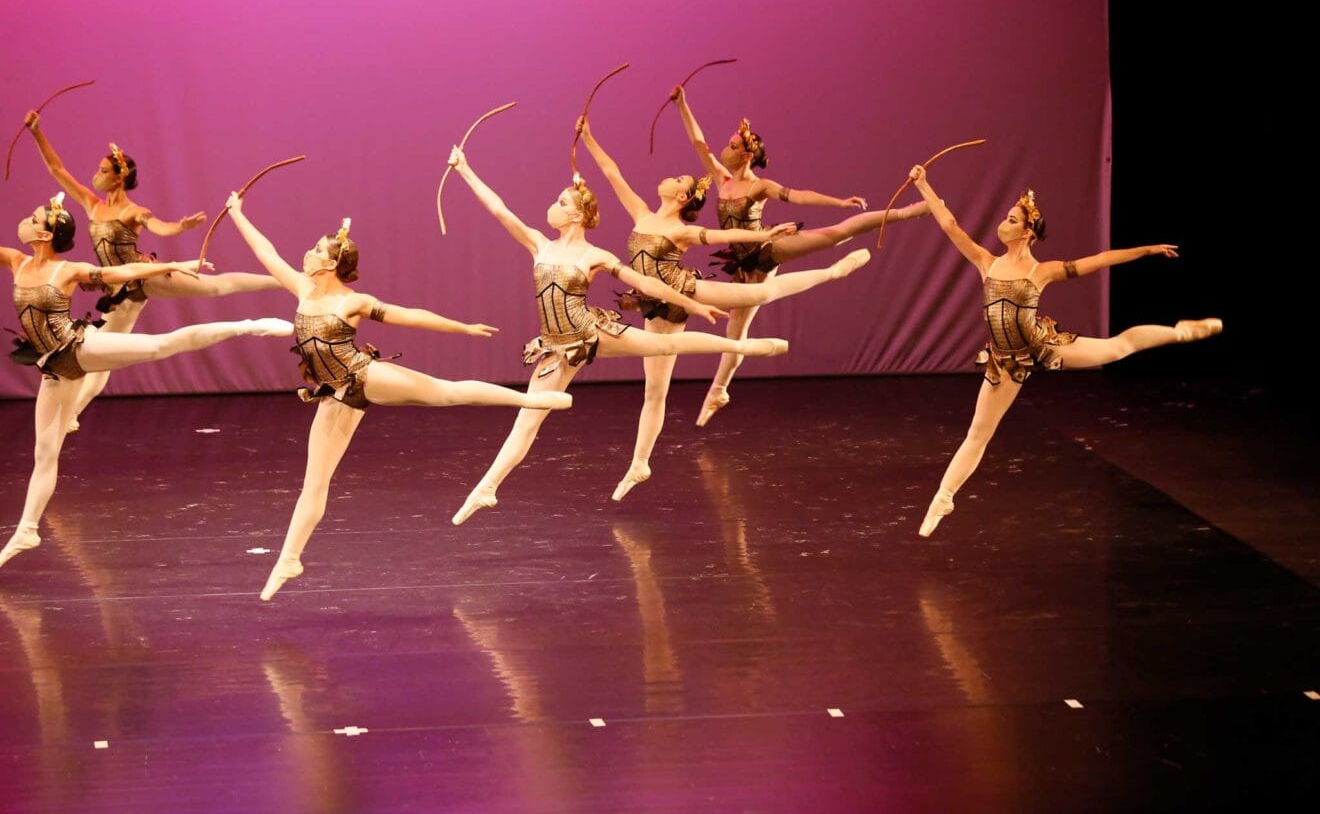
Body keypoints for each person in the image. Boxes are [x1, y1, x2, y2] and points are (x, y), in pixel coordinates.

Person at [224, 194, 575, 600]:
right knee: (314, 483)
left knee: (446, 393)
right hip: (333, 396)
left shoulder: (352, 302)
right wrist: (237, 213)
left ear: (332, 263)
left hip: (364, 375)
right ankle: (289, 557)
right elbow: (264, 250)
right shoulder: (301, 287)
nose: (307, 253)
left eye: (316, 249)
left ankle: (533, 401)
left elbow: (411, 315)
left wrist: (461, 328)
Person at [446, 146, 791, 526]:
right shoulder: (538, 244)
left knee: (666, 343)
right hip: (557, 347)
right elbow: (500, 210)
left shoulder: (595, 255)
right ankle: (487, 488)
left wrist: (691, 306)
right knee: (527, 419)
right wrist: (465, 169)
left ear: (575, 214)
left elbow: (644, 282)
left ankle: (743, 346)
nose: (553, 206)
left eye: (560, 202)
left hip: (592, 333)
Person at [907, 165, 1222, 537]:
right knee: (979, 433)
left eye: (1011, 220)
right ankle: (944, 497)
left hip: (1041, 344)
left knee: (1116, 348)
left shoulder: (1043, 271)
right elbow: (949, 225)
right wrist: (924, 185)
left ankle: (1179, 333)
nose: (1002, 224)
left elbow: (1101, 259)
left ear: (1026, 231)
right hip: (1007, 360)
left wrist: (1147, 250)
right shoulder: (985, 262)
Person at [578, 114, 876, 500]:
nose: (672, 177)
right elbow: (610, 170)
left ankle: (832, 273)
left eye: (679, 179)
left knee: (759, 295)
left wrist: (764, 234)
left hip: (688, 290)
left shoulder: (682, 230)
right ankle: (640, 464)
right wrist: (587, 136)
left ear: (682, 197)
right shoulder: (641, 213)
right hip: (655, 303)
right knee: (655, 392)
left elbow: (723, 233)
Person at [0, 195, 292, 570]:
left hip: (80, 347)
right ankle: (27, 528)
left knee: (159, 346)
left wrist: (171, 265)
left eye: (32, 217)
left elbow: (117, 274)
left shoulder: (67, 270)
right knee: (45, 452)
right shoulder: (15, 260)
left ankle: (246, 326)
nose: (25, 220)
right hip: (52, 369)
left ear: (44, 232)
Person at [669, 87, 931, 426]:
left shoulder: (758, 187)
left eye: (733, 145)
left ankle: (906, 212)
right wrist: (683, 103)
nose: (725, 148)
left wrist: (838, 202)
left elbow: (799, 196)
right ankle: (719, 391)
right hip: (742, 267)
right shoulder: (721, 179)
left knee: (834, 234)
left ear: (747, 156)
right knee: (735, 336)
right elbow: (698, 142)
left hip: (766, 250)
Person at [24, 111, 282, 431]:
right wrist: (36, 132)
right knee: (105, 354)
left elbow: (160, 227)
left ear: (118, 177)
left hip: (142, 275)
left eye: (103, 170)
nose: (97, 174)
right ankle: (74, 412)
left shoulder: (134, 211)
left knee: (214, 286)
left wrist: (181, 226)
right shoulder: (93, 204)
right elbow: (57, 169)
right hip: (118, 285)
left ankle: (281, 279)